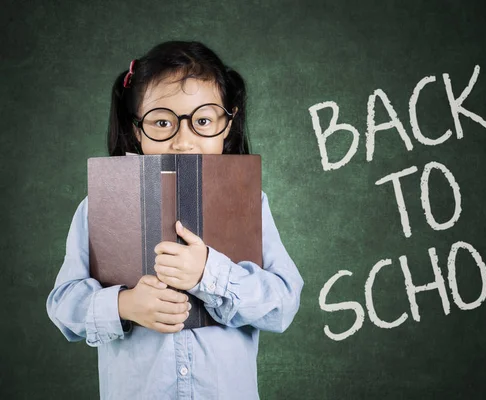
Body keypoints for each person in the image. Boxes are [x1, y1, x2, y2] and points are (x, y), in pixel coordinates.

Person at [46, 41, 304, 400]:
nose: (184, 141)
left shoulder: (249, 203)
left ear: (228, 123)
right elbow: (63, 304)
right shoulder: (101, 205)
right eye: (162, 122)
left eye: (202, 121)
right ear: (136, 128)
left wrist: (208, 274)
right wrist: (124, 305)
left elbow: (283, 303)